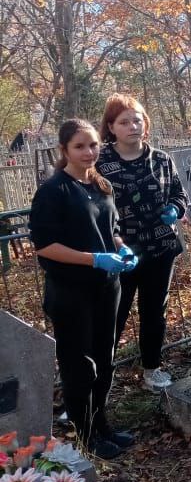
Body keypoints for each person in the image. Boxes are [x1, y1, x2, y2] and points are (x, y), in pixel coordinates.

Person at [29, 119, 140, 459]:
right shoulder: (54, 191)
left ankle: (103, 425)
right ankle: (86, 434)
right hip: (71, 292)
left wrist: (121, 248)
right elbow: (45, 245)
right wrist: (94, 259)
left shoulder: (101, 184)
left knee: (105, 360)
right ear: (64, 151)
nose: (89, 152)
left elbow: (112, 227)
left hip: (107, 288)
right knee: (80, 366)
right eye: (80, 146)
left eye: (93, 145)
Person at [96, 94, 187, 392]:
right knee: (112, 316)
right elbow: (92, 206)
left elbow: (178, 194)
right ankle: (95, 382)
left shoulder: (161, 159)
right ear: (111, 127)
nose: (132, 126)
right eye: (124, 122)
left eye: (137, 120)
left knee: (153, 312)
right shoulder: (99, 162)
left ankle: (152, 369)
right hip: (120, 254)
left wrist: (175, 209)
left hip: (160, 249)